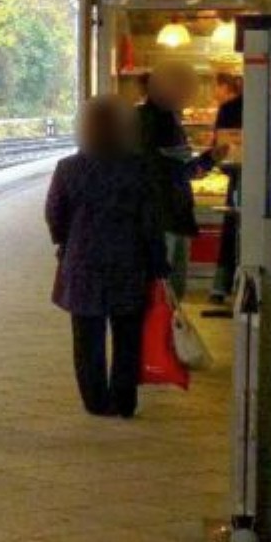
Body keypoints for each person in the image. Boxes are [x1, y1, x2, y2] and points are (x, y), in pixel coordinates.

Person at [46, 96, 168, 418]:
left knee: (87, 337)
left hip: (83, 263)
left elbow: (55, 214)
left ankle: (95, 401)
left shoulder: (68, 168)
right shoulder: (139, 168)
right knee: (128, 336)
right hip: (129, 262)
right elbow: (151, 222)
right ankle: (124, 400)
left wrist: (66, 241)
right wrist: (158, 264)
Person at [136, 62, 222, 300]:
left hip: (165, 215)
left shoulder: (151, 119)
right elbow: (175, 172)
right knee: (165, 291)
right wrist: (209, 159)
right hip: (166, 216)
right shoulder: (160, 124)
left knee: (165, 290)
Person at [210, 72, 243, 308]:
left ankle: (221, 287)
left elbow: (221, 151)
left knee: (232, 231)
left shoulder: (229, 109)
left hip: (239, 177)